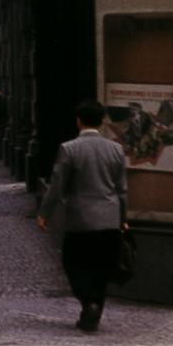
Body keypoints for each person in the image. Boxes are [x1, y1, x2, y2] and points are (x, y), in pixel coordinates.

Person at [37, 99, 129, 332]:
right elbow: (122, 189)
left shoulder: (69, 149)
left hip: (81, 220)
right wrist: (123, 217)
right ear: (102, 121)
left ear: (78, 121)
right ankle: (95, 306)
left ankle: (88, 302)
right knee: (102, 267)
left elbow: (57, 185)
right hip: (109, 219)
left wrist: (44, 213)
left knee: (72, 262)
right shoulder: (116, 149)